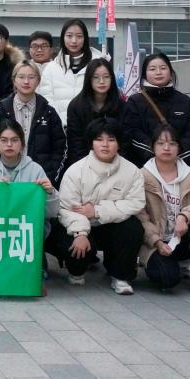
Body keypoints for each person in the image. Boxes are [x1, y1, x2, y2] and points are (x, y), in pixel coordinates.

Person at [55, 117, 145, 294]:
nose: (105, 145)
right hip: (81, 224)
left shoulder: (132, 171)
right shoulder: (76, 171)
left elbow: (135, 203)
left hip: (111, 225)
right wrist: (80, 233)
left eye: (111, 140)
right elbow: (67, 208)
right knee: (70, 237)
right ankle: (76, 270)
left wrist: (97, 211)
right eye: (99, 139)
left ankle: (120, 276)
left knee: (133, 228)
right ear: (91, 143)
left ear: (119, 143)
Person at [137, 124, 190, 297]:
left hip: (183, 237)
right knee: (167, 280)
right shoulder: (141, 176)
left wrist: (185, 216)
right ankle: (170, 266)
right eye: (161, 143)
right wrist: (157, 242)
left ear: (179, 147)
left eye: (172, 143)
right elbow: (140, 217)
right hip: (157, 243)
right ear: (152, 147)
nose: (167, 148)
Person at [0, 61, 66, 185]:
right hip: (3, 181)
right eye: (21, 77)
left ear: (38, 81)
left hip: (39, 182)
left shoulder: (49, 112)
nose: (26, 81)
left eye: (31, 77)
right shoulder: (1, 110)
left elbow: (60, 148)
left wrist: (48, 178)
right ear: (14, 80)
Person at [120, 52, 190, 167]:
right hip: (145, 167)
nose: (158, 72)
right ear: (145, 74)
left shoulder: (185, 101)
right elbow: (132, 134)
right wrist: (157, 156)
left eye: (163, 68)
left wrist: (176, 157)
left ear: (170, 72)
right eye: (152, 69)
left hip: (180, 168)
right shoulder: (135, 102)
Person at [37, 19, 107, 123]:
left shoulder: (98, 66)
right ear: (63, 38)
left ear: (85, 38)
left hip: (91, 126)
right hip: (59, 127)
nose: (74, 41)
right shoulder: (51, 68)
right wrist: (60, 123)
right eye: (69, 36)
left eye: (79, 36)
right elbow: (46, 99)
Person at [65, 60, 123, 169]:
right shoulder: (76, 106)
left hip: (115, 163)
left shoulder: (120, 104)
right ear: (88, 79)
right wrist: (85, 167)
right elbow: (75, 143)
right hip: (84, 164)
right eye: (96, 77)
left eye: (106, 77)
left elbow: (124, 139)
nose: (101, 81)